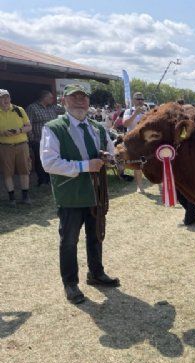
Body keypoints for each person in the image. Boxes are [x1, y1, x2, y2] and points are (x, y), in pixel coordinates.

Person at [40, 84, 119, 304]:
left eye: (83, 98)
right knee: (69, 241)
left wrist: (108, 157)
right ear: (63, 102)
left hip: (95, 192)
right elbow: (49, 163)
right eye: (73, 98)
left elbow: (110, 152)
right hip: (71, 195)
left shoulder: (97, 127)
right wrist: (85, 165)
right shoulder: (53, 127)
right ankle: (70, 284)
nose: (79, 102)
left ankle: (96, 273)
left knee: (96, 236)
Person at [0, 89, 32, 206]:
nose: (5, 100)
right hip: (5, 147)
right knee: (7, 173)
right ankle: (12, 198)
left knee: (24, 170)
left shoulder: (19, 110)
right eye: (2, 98)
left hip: (22, 145)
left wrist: (19, 130)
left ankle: (25, 196)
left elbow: (29, 127)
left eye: (7, 97)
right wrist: (2, 133)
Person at [26, 90, 60, 186]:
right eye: (51, 97)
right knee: (40, 161)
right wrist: (32, 139)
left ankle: (51, 179)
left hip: (53, 139)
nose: (53, 99)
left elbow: (66, 109)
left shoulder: (52, 107)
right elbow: (28, 123)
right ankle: (42, 180)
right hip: (38, 140)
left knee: (53, 158)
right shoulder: (32, 108)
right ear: (44, 98)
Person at [123, 92, 148, 193]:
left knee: (147, 162)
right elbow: (125, 124)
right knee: (137, 164)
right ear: (133, 100)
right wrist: (135, 114)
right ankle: (140, 186)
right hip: (133, 141)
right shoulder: (128, 111)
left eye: (142, 99)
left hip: (145, 140)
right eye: (138, 99)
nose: (140, 101)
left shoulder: (147, 111)